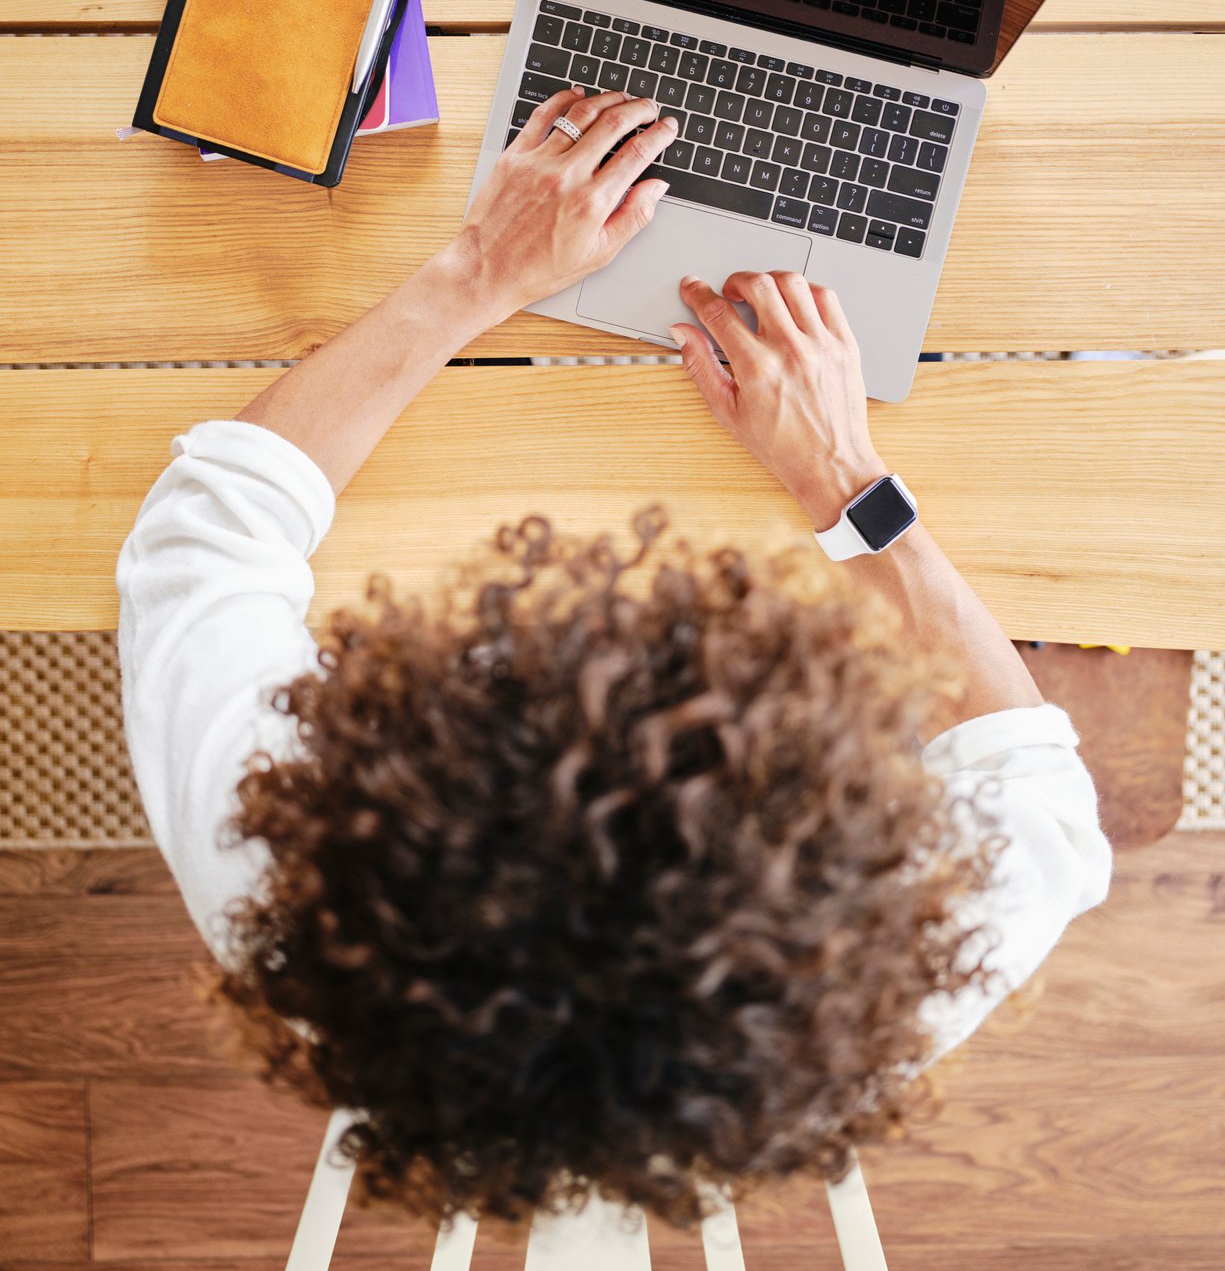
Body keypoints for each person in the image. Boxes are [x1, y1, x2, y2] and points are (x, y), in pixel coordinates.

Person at [117, 85, 1110, 1229]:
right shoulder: (870, 976)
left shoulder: (296, 884)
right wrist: (842, 479)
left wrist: (478, 274)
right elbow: (1043, 797)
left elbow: (203, 535)